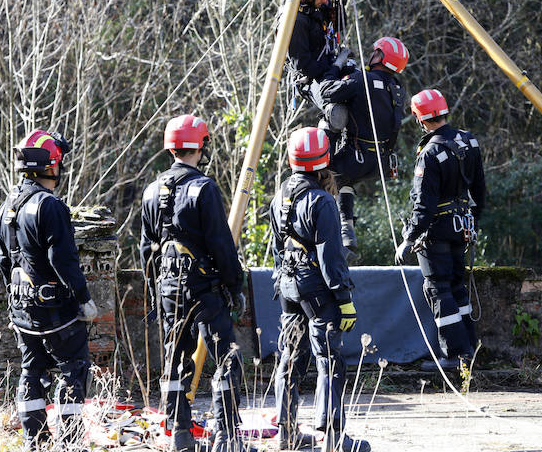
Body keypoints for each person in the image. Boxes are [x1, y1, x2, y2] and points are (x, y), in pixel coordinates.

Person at [139, 114, 250, 452]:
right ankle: (227, 436)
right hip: (205, 288)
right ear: (201, 146)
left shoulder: (151, 190)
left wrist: (156, 291)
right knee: (226, 357)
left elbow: (147, 251)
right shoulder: (204, 188)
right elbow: (221, 244)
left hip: (169, 288)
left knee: (174, 361)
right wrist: (234, 286)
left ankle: (180, 434)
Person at [269, 126, 371, 452]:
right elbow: (331, 256)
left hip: (288, 285)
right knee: (329, 359)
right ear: (324, 159)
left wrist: (282, 282)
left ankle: (287, 433)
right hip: (317, 289)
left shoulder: (280, 196)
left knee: (290, 357)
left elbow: (277, 249)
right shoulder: (322, 201)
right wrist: (344, 299)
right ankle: (334, 439)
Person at [0, 129, 97, 452]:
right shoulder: (49, 206)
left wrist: (13, 304)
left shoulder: (7, 207)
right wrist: (84, 298)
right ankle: (70, 444)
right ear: (52, 166)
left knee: (32, 371)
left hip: (22, 312)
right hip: (56, 314)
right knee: (72, 371)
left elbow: (4, 261)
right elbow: (63, 261)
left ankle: (34, 443)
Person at [394, 89, 486, 368]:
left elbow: (424, 204)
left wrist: (408, 239)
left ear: (419, 118)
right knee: (458, 287)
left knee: (438, 288)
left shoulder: (430, 153)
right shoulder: (469, 141)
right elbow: (479, 189)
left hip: (436, 231)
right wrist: (474, 221)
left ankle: (455, 356)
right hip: (462, 226)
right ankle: (469, 350)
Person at [318, 36, 409, 252]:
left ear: (380, 56)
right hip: (380, 162)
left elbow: (326, 91)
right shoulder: (397, 89)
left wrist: (338, 65)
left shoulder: (361, 81)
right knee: (344, 179)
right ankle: (347, 229)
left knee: (326, 171)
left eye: (375, 51)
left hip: (355, 157)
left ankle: (338, 229)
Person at [288, 0, 352, 132]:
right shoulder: (294, 21)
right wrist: (335, 67)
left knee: (362, 87)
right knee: (337, 112)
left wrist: (339, 6)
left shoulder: (316, 5)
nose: (325, 0)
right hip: (311, 78)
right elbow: (304, 66)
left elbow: (338, 26)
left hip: (328, 66)